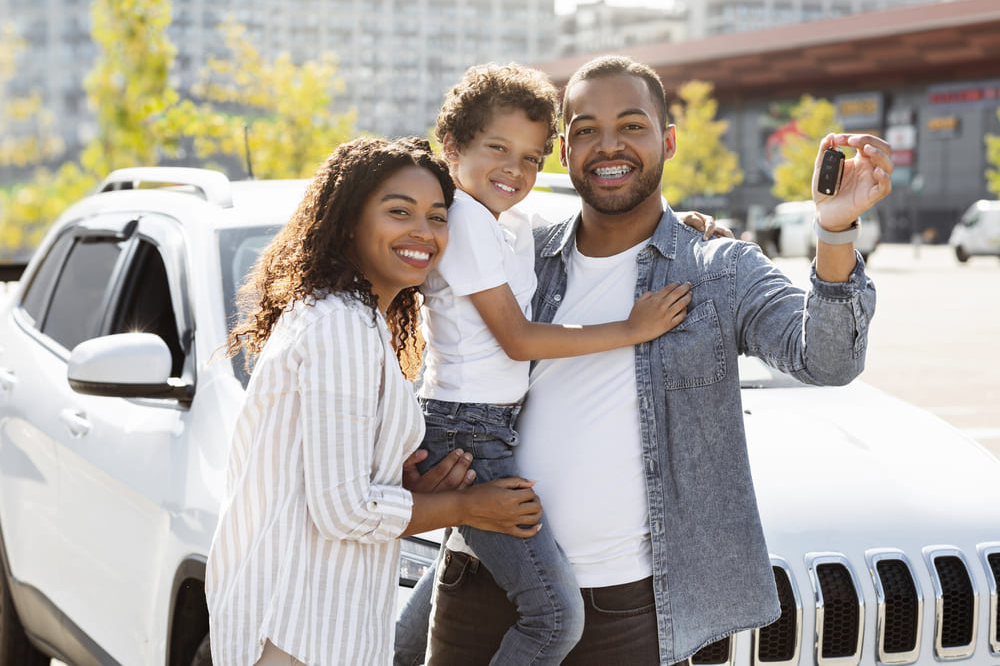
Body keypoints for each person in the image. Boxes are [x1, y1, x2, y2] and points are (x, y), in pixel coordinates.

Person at [418, 55, 892, 666]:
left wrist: (834, 231)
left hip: (622, 608)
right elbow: (446, 358)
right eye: (586, 129)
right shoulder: (523, 252)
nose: (608, 145)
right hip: (476, 582)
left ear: (667, 140)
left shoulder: (718, 270)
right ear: (563, 149)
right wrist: (424, 472)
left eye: (631, 125)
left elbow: (827, 360)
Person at [395, 63, 731, 666]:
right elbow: (519, 340)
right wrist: (631, 329)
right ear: (451, 148)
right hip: (467, 432)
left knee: (496, 592)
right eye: (497, 149)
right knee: (552, 616)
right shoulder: (466, 222)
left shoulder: (510, 223)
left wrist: (686, 226)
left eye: (530, 157)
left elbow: (604, 227)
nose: (515, 171)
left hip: (486, 431)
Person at [206, 136, 547, 666]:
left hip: (321, 625)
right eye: (399, 211)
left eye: (438, 217)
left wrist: (405, 488)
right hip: (294, 633)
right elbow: (343, 513)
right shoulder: (340, 326)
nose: (424, 232)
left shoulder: (357, 320)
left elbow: (324, 489)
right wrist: (468, 506)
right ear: (347, 224)